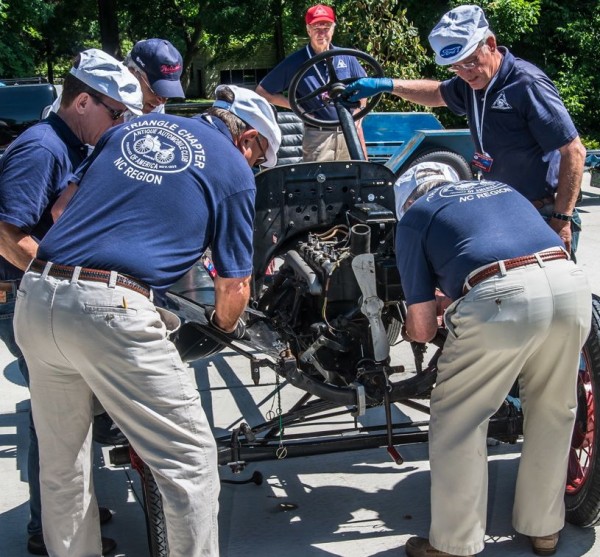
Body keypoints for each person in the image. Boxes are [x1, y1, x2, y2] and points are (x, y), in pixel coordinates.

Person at [13, 84, 281, 557]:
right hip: (110, 309)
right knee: (190, 464)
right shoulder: (235, 169)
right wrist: (222, 328)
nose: (254, 169)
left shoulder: (128, 129)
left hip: (37, 296)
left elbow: (60, 212)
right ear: (249, 140)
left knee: (64, 466)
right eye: (260, 159)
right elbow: (234, 288)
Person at [392, 162, 591, 557]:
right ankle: (545, 529)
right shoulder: (499, 188)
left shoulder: (415, 218)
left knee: (458, 420)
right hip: (569, 287)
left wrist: (417, 317)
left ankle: (455, 543)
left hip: (502, 300)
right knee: (554, 411)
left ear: (407, 200)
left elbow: (423, 330)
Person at [0, 48, 142, 556]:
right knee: (56, 417)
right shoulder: (42, 149)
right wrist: (66, 281)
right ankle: (47, 530)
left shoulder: (71, 142)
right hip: (22, 292)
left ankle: (67, 510)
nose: (119, 122)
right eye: (116, 112)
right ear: (83, 101)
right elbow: (7, 233)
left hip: (41, 290)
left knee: (68, 410)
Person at [344, 4, 586, 255]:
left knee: (551, 289)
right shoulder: (471, 85)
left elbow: (574, 151)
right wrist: (386, 85)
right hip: (505, 208)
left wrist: (561, 220)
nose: (466, 73)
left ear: (490, 44)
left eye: (471, 62)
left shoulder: (526, 85)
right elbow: (437, 93)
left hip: (543, 214)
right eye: (455, 67)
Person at [256, 3, 367, 161]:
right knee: (318, 183)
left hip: (349, 132)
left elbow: (366, 86)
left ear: (333, 29)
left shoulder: (346, 57)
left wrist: (359, 114)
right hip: (318, 136)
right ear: (308, 30)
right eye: (316, 28)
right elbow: (263, 91)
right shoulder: (295, 62)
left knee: (353, 181)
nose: (322, 33)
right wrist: (297, 107)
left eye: (326, 27)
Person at [123, 37, 185, 115]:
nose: (162, 101)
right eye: (156, 90)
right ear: (132, 74)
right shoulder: (105, 99)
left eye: (167, 92)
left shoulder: (153, 103)